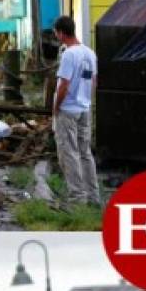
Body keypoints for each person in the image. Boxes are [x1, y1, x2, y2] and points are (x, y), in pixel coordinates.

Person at [52, 15, 101, 206]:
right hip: (84, 108)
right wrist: (88, 101)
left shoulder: (68, 55)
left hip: (68, 109)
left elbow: (64, 84)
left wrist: (57, 107)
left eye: (56, 33)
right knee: (85, 152)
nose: (56, 36)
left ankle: (77, 197)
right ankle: (93, 195)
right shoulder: (89, 53)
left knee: (69, 152)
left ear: (62, 33)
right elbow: (93, 81)